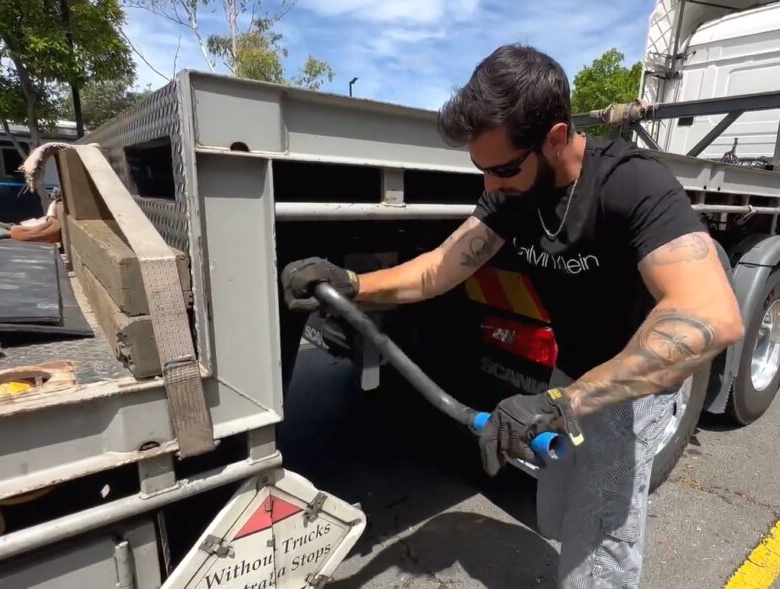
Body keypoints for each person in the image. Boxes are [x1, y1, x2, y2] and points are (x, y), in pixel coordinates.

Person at [281, 44, 745, 589]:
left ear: (554, 137)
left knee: (599, 543)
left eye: (501, 168)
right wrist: (352, 284)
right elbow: (438, 270)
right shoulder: (510, 193)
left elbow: (712, 314)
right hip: (570, 376)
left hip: (631, 386)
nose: (489, 187)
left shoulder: (631, 184)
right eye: (480, 169)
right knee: (558, 509)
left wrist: (562, 404)